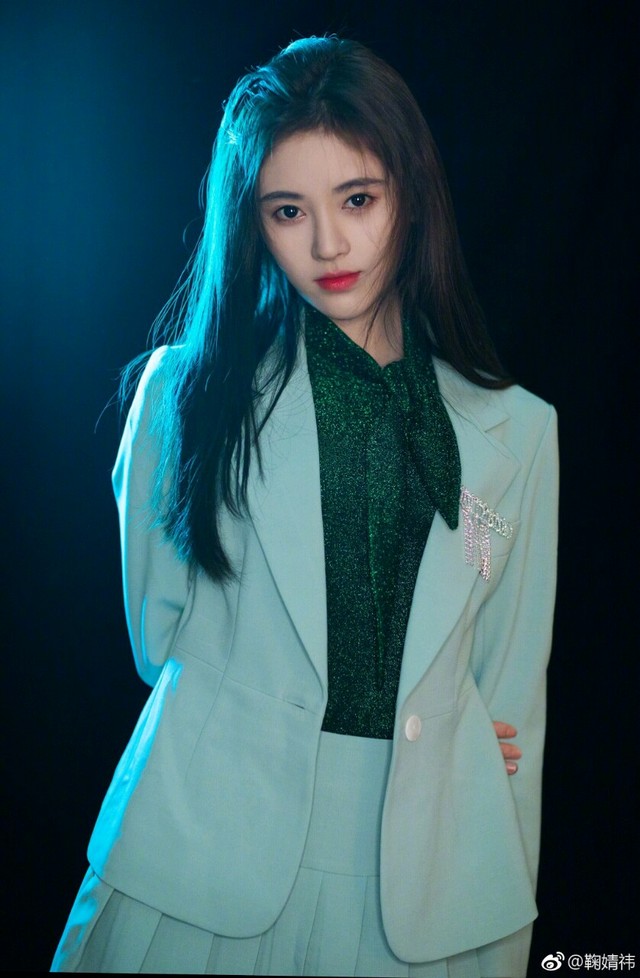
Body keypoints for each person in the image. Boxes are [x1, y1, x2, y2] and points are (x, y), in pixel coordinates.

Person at [51, 35, 558, 977]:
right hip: (203, 841)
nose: (328, 245)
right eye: (289, 211)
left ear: (411, 195)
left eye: (358, 200)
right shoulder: (186, 394)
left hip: (429, 877)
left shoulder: (517, 432)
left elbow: (510, 704)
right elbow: (159, 635)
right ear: (253, 222)